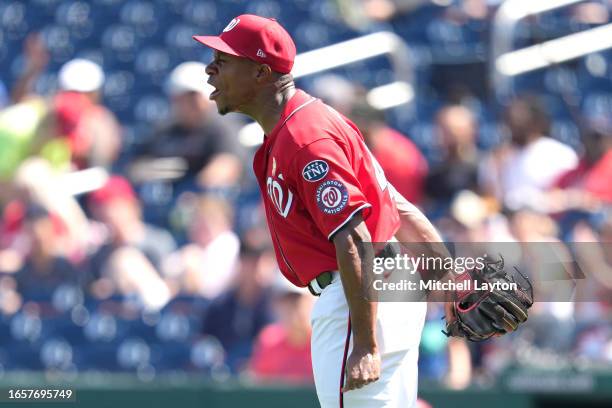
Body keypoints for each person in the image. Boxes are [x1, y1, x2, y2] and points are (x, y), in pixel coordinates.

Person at [193, 15, 449, 407]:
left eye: (224, 60)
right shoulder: (311, 122)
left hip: (359, 297)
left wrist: (364, 344)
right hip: (382, 286)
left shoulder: (304, 135)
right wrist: (451, 280)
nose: (211, 69)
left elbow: (353, 235)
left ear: (261, 72)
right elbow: (392, 202)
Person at [134, 61, 244, 190]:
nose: (192, 103)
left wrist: (194, 190)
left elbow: (227, 165)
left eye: (195, 96)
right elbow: (136, 168)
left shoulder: (222, 124)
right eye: (185, 97)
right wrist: (153, 171)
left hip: (207, 199)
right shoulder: (165, 129)